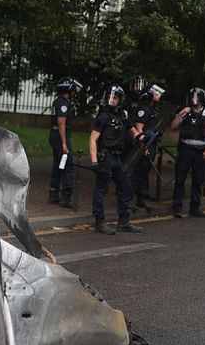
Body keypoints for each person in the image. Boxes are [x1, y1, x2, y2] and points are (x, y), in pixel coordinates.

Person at [89, 84, 143, 234]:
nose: (112, 100)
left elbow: (133, 131)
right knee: (101, 189)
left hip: (117, 157)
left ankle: (123, 222)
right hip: (105, 157)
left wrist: (144, 137)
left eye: (115, 97)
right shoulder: (103, 116)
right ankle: (99, 222)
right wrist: (94, 160)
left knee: (125, 186)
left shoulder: (123, 115)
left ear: (120, 99)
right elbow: (93, 139)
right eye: (110, 97)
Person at [170, 87, 205, 218]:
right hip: (185, 149)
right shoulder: (186, 112)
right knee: (180, 179)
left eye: (196, 97)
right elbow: (173, 127)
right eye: (192, 97)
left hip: (201, 151)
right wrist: (180, 114)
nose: (194, 99)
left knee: (198, 180)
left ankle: (195, 208)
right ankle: (177, 207)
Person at [129, 84, 166, 212]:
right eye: (157, 94)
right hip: (145, 145)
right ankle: (127, 200)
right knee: (137, 174)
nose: (159, 96)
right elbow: (139, 129)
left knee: (143, 173)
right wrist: (143, 146)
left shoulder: (153, 109)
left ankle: (141, 199)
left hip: (152, 144)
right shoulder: (144, 109)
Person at [48, 77, 82, 208]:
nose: (74, 92)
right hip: (60, 136)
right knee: (69, 166)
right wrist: (64, 144)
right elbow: (61, 123)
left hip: (55, 135)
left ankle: (53, 193)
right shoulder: (63, 103)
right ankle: (66, 196)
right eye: (73, 89)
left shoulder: (58, 101)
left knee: (58, 165)